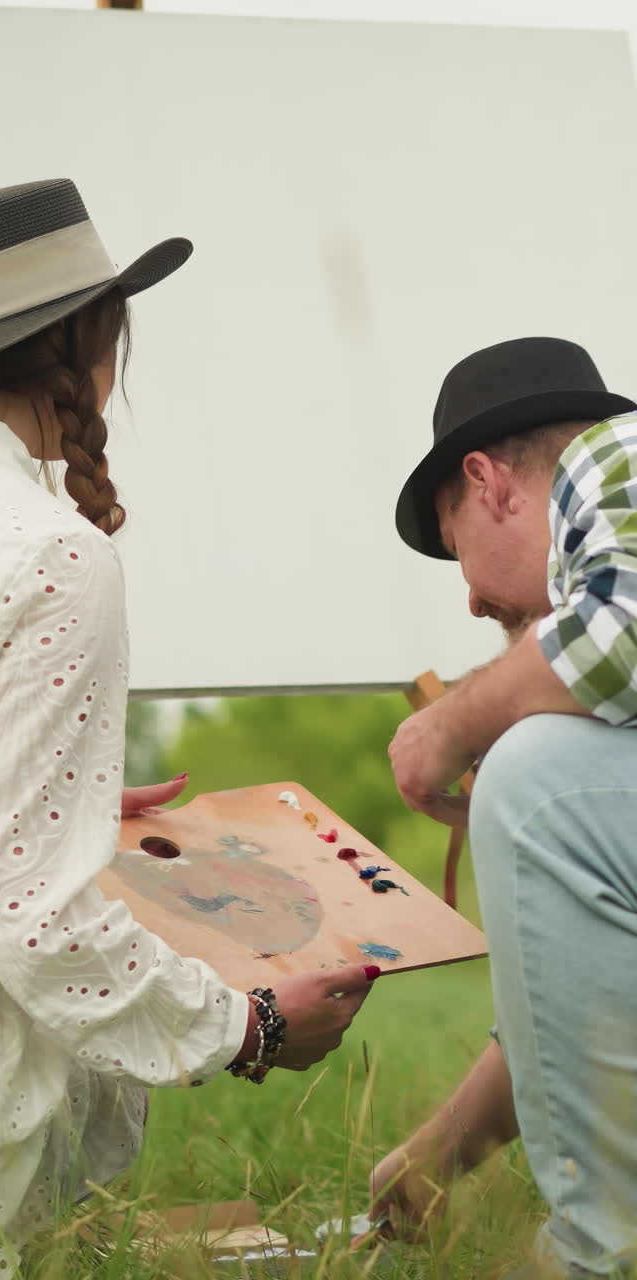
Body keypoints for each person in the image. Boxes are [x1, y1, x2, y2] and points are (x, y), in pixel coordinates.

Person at [0, 178, 378, 1278]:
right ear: (91, 345)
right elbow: (19, 909)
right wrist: (246, 1022)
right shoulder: (49, 551)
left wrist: (45, 788)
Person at [373, 336, 637, 1278]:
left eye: (458, 552)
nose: (474, 596)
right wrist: (438, 1158)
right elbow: (581, 992)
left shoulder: (614, 460)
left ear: (490, 484)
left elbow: (617, 633)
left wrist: (455, 724)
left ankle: (602, 1258)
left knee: (536, 772)